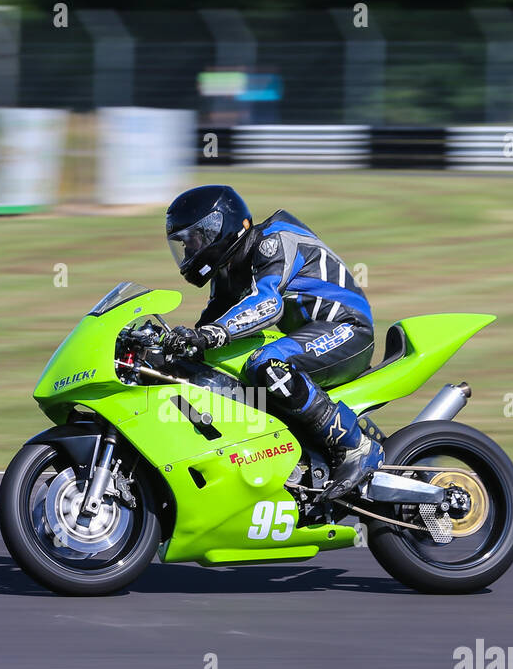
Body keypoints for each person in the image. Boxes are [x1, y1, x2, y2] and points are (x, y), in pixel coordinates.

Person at [163, 184, 383, 499]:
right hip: (307, 336)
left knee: (264, 364)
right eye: (182, 244)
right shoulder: (229, 269)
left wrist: (212, 334)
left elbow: (267, 304)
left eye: (193, 240)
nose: (188, 252)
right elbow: (210, 323)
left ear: (217, 227)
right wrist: (174, 346)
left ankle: (354, 446)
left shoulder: (273, 241)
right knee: (213, 371)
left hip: (347, 329)